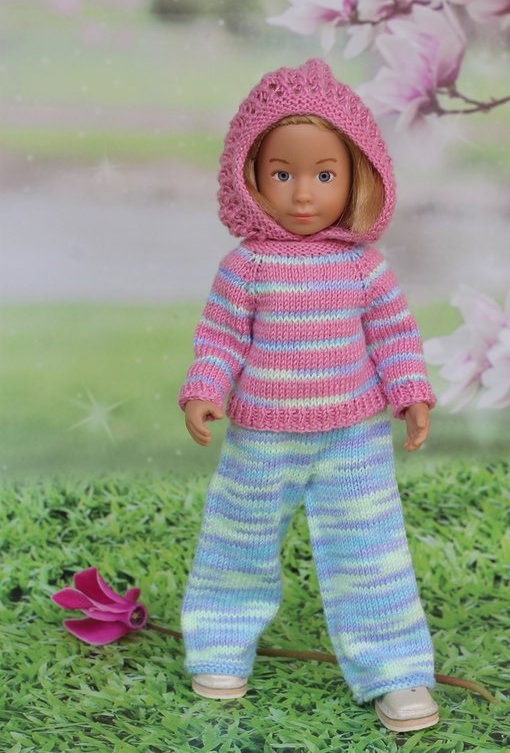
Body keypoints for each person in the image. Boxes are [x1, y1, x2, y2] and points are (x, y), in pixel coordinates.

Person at [177, 58, 439, 732]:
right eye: (281, 174)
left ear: (358, 176)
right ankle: (220, 643)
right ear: (249, 176)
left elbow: (394, 336)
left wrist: (410, 392)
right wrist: (205, 388)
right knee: (238, 538)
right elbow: (220, 338)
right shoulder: (246, 266)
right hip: (262, 435)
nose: (301, 195)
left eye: (324, 175)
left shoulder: (363, 267)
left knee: (371, 550)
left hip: (355, 435)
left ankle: (396, 670)